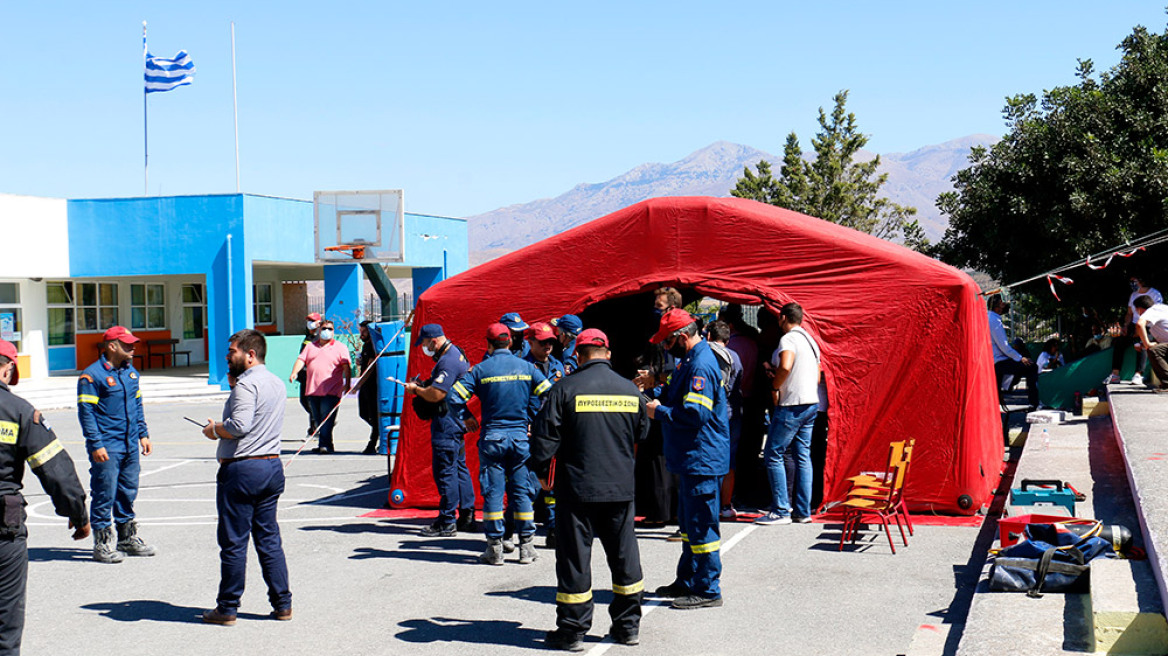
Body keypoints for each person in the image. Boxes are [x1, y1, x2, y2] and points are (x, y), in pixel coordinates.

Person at [530, 329, 649, 650]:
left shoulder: (564, 389)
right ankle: (627, 628)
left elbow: (544, 438)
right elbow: (643, 431)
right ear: (608, 353)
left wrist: (542, 472)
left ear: (578, 356)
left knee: (574, 559)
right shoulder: (629, 390)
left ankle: (572, 631)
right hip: (620, 488)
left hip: (577, 489)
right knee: (625, 557)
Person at [0, 339, 90, 654]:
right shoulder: (19, 412)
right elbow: (56, 472)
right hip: (3, 531)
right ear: (9, 368)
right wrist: (77, 515)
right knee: (4, 626)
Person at [200, 329, 292, 625]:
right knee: (268, 539)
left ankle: (227, 607)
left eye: (233, 352)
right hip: (270, 466)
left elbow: (239, 425)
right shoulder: (276, 383)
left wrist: (214, 429)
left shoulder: (246, 385)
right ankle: (283, 604)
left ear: (250, 354)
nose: (228, 357)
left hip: (242, 469)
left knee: (234, 542)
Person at [645, 308, 730, 610]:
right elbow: (671, 392)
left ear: (682, 337)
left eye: (667, 344)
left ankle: (707, 589)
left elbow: (696, 414)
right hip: (691, 458)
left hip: (702, 458)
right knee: (689, 525)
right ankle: (688, 579)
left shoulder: (701, 366)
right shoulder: (688, 362)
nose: (665, 349)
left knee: (702, 525)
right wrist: (650, 389)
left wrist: (659, 412)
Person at [450, 323, 551, 565]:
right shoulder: (528, 368)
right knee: (521, 492)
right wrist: (536, 422)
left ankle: (495, 548)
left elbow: (454, 397)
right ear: (510, 342)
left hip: (493, 439)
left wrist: (467, 417)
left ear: (488, 344)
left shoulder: (481, 370)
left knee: (493, 492)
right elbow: (550, 394)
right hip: (519, 438)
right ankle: (526, 547)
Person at [77, 325, 155, 563]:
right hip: (107, 445)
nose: (132, 347)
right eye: (127, 344)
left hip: (130, 443)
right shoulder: (92, 376)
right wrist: (96, 443)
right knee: (104, 492)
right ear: (112, 346)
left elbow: (137, 405)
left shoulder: (131, 374)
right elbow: (86, 413)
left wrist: (143, 433)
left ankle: (126, 539)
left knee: (127, 491)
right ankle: (102, 544)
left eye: (133, 343)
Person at [403, 324, 476, 537]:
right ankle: (466, 515)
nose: (424, 348)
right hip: (456, 419)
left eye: (425, 343)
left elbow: (436, 394)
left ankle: (446, 521)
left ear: (434, 341)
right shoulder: (456, 354)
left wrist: (416, 389)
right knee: (459, 468)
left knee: (445, 472)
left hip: (447, 421)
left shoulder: (448, 361)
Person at [756, 302, 821, 526]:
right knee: (803, 456)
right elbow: (818, 374)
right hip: (811, 401)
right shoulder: (810, 340)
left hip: (792, 403)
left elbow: (785, 366)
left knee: (773, 453)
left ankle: (781, 509)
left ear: (783, 317)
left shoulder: (789, 339)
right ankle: (802, 511)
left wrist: (775, 386)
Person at [524, 322, 565, 547]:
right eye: (542, 342)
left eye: (550, 342)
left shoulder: (558, 366)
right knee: (529, 485)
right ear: (530, 342)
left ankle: (553, 529)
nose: (547, 346)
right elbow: (517, 401)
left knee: (552, 484)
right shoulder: (522, 367)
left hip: (552, 435)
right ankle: (523, 532)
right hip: (530, 433)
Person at [289, 319, 351, 454]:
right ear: (319, 330)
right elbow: (301, 360)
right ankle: (326, 443)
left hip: (332, 390)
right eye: (324, 328)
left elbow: (346, 366)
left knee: (326, 418)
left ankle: (325, 445)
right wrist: (294, 373)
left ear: (334, 331)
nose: (326, 331)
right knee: (318, 419)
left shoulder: (340, 347)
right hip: (312, 390)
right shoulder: (310, 346)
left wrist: (348, 383)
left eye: (330, 329)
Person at [705, 320, 743, 519]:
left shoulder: (706, 355)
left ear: (709, 336)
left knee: (709, 459)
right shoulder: (735, 357)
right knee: (729, 462)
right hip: (733, 412)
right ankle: (726, 505)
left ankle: (710, 503)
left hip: (714, 414)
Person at [1106, 276, 1163, 385]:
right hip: (1134, 325)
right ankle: (1115, 374)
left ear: (1141, 281)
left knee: (1142, 344)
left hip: (1148, 325)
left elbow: (1156, 314)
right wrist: (1126, 326)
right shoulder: (1133, 295)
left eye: (1134, 281)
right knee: (1119, 342)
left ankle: (1138, 374)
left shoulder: (1155, 294)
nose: (1132, 283)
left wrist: (1140, 330)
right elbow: (1129, 313)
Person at [988, 297, 1039, 409]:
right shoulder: (994, 321)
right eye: (1002, 304)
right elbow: (1004, 346)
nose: (1004, 306)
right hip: (999, 361)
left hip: (993, 360)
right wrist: (1020, 358)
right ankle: (1033, 403)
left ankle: (1005, 388)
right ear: (997, 306)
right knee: (1031, 367)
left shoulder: (988, 317)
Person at [1133, 295, 1168, 391]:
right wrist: (1144, 344)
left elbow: (1139, 324)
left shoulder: (1152, 311)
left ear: (1139, 309)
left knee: (1154, 350)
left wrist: (1147, 344)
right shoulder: (1163, 308)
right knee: (1157, 349)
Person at [356, 321, 381, 455]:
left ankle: (372, 443)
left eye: (364, 331)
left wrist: (359, 384)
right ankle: (380, 431)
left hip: (372, 385)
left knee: (373, 414)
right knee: (363, 413)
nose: (362, 334)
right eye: (361, 331)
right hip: (365, 386)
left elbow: (370, 368)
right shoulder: (365, 346)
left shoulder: (372, 346)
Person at [296, 313, 322, 437]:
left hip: (312, 375)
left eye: (312, 320)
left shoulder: (319, 338)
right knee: (304, 401)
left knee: (311, 402)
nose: (309, 323)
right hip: (304, 376)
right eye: (308, 320)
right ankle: (320, 421)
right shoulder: (308, 336)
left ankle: (315, 428)